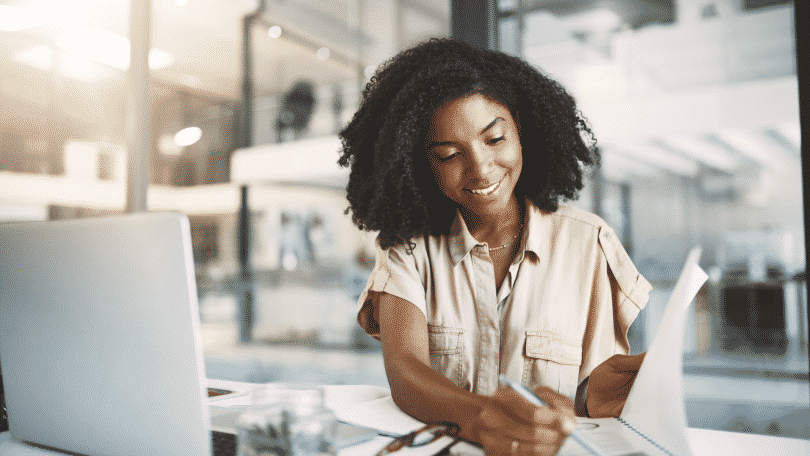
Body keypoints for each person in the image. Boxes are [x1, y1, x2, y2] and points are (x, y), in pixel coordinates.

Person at [338, 38, 652, 455]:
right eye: (449, 154)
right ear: (421, 163)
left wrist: (594, 396)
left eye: (495, 139)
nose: (480, 168)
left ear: (521, 128)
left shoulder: (588, 243)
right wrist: (482, 417)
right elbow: (405, 370)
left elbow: (582, 408)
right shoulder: (410, 249)